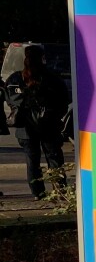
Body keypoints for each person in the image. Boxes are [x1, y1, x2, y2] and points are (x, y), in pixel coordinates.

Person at [7, 45, 69, 199]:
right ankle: (59, 191)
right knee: (54, 159)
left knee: (32, 162)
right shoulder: (52, 78)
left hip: (25, 128)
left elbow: (10, 99)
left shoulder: (16, 78)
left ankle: (38, 193)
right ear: (42, 58)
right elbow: (64, 101)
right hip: (49, 126)